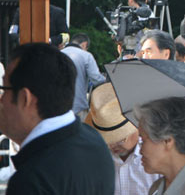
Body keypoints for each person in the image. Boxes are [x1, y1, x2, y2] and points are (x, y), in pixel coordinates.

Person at [0, 43, 114, 194]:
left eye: (4, 90)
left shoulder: (31, 179)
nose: (1, 100)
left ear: (24, 98)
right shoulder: (94, 141)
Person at [86, 82, 160, 195]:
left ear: (137, 128)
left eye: (119, 139)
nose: (111, 145)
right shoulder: (96, 159)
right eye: (106, 141)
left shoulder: (157, 158)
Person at [62, 33, 106, 120]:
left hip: (59, 107)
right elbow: (97, 80)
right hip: (78, 106)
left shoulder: (58, 54)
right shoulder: (86, 56)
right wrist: (107, 79)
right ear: (84, 44)